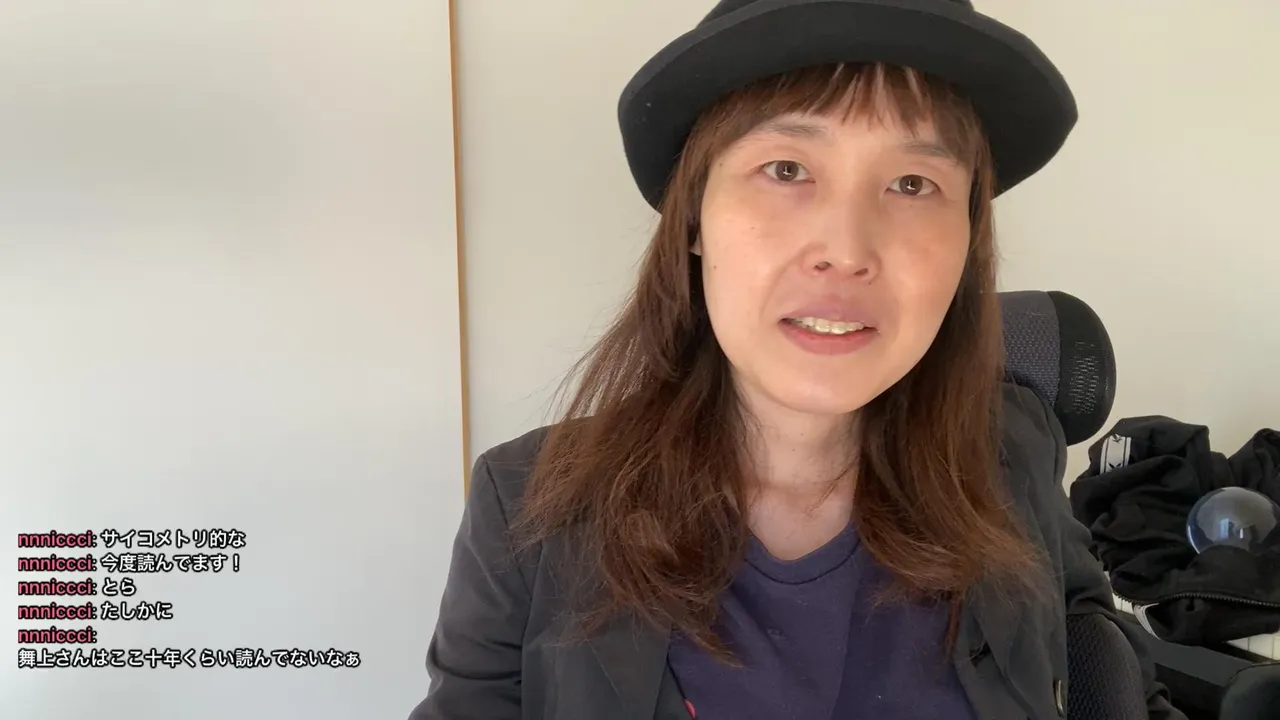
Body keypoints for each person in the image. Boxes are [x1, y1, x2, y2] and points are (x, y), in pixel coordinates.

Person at [410, 1, 1185, 718]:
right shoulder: (528, 512)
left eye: (912, 182)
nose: (846, 250)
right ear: (694, 220)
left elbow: (1106, 669)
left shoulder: (1013, 449)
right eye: (786, 170)